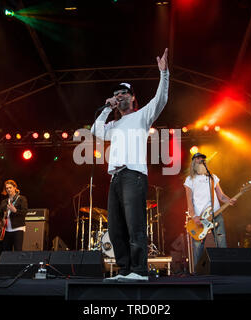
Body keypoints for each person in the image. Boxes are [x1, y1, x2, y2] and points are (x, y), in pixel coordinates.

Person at [91, 48, 169, 282]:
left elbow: (161, 100)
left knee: (135, 224)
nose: (120, 96)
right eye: (117, 94)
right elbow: (95, 131)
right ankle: (125, 270)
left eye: (124, 93)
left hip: (133, 175)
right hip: (116, 178)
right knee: (116, 228)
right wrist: (107, 107)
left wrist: (164, 74)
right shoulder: (113, 125)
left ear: (133, 97)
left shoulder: (142, 116)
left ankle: (140, 270)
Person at [184, 153, 236, 268]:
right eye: (198, 159)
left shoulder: (212, 177)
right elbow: (189, 201)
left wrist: (229, 200)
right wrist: (194, 216)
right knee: (198, 246)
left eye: (203, 159)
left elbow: (221, 196)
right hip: (199, 217)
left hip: (215, 214)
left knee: (221, 241)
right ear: (193, 162)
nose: (201, 160)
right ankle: (198, 271)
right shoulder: (189, 179)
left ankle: (225, 268)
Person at [0, 180, 28, 252]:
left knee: (17, 250)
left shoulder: (21, 199)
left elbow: (24, 212)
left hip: (18, 228)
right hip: (6, 229)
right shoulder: (4, 202)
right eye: (7, 188)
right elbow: (0, 214)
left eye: (10, 187)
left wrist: (15, 211)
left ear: (15, 187)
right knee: (6, 251)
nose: (8, 189)